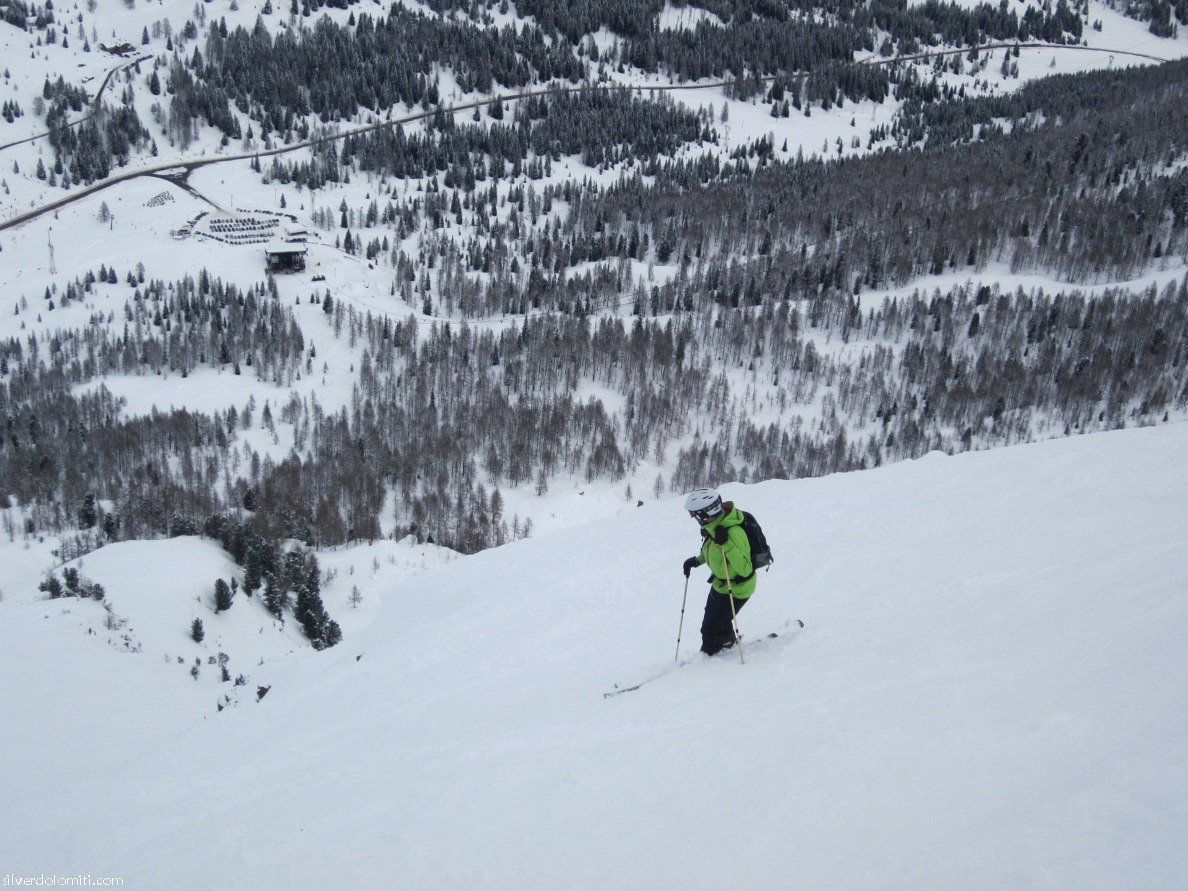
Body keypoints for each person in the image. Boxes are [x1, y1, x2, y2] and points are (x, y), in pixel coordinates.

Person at [681, 487, 756, 655]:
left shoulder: (733, 532)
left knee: (712, 630)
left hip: (737, 587)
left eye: (694, 514)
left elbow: (745, 569)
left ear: (705, 513)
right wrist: (697, 560)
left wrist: (727, 543)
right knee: (708, 627)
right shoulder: (713, 526)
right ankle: (721, 645)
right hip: (720, 584)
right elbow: (711, 550)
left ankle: (716, 654)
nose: (693, 517)